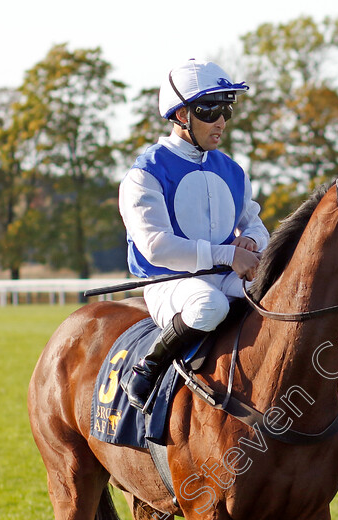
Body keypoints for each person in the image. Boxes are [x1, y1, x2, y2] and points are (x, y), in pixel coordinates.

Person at [118, 59, 270, 410]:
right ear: (180, 116)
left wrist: (252, 241)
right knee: (209, 305)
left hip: (223, 276)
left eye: (226, 110)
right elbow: (157, 247)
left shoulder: (232, 169)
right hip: (169, 282)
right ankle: (147, 368)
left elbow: (255, 222)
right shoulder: (146, 173)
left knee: (275, 294)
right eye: (209, 109)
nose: (220, 120)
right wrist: (229, 255)